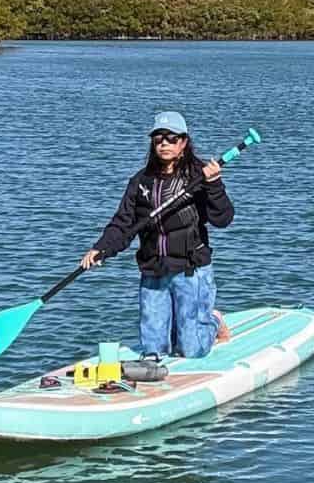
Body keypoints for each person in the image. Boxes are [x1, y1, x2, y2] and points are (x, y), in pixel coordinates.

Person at [81, 110, 235, 358]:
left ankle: (213, 321)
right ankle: (179, 329)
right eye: (158, 138)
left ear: (183, 142)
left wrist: (214, 184)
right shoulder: (141, 181)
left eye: (171, 138)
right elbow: (123, 223)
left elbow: (223, 219)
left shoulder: (200, 175)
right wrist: (101, 249)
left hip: (190, 270)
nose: (164, 143)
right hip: (153, 270)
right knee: (153, 350)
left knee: (192, 350)